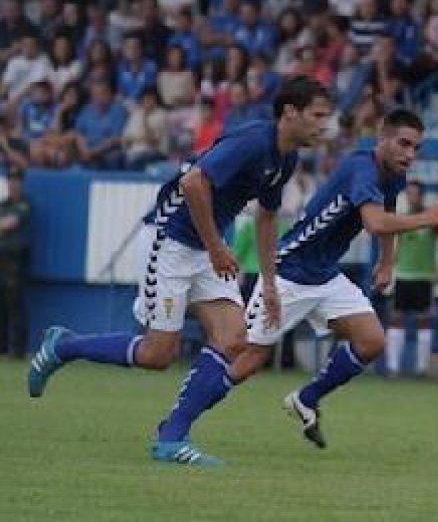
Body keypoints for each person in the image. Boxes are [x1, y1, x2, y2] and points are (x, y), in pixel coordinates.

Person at [27, 77, 332, 466]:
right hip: (169, 239)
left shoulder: (285, 159)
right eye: (317, 115)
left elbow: (267, 218)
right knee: (158, 354)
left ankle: (172, 437)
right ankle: (64, 346)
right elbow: (192, 183)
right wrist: (217, 247)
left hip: (207, 246)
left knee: (235, 339)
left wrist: (269, 283)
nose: (324, 125)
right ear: (290, 112)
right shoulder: (254, 141)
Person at [227, 108, 438, 448]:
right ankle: (177, 424)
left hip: (325, 275)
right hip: (290, 270)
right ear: (382, 138)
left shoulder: (393, 174)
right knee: (248, 358)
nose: (410, 154)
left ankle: (306, 399)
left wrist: (387, 262)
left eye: (416, 148)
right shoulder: (362, 169)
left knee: (371, 340)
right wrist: (426, 218)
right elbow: (376, 223)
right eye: (404, 144)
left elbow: (387, 211)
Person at [385, 181, 438, 377]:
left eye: (415, 194)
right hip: (403, 276)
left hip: (423, 278)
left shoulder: (433, 219)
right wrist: (389, 267)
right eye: (408, 194)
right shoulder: (402, 218)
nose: (411, 197)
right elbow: (396, 245)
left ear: (422, 196)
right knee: (396, 319)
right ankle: (393, 368)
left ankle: (421, 368)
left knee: (424, 321)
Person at [0, 166, 31, 357]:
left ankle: (18, 348)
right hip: (1, 257)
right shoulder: (4, 204)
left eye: (16, 180)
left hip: (15, 259)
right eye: (10, 180)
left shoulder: (24, 204)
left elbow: (10, 223)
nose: (13, 184)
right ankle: (2, 347)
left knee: (14, 303)